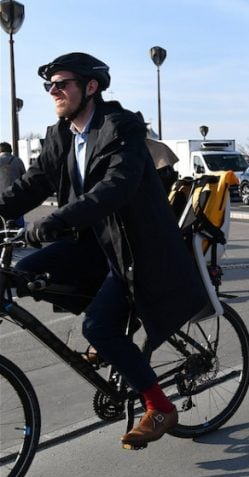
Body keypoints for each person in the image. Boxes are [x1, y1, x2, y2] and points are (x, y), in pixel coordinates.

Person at [0, 52, 208, 448]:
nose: (53, 91)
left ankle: (159, 405)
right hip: (92, 245)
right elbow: (31, 185)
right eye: (49, 86)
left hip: (135, 249)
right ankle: (110, 337)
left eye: (62, 84)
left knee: (97, 326)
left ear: (91, 87)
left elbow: (116, 186)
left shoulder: (121, 127)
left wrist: (57, 220)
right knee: (19, 277)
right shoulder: (61, 135)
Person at [0, 141, 27, 227]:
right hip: (16, 196)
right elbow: (25, 177)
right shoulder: (18, 161)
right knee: (18, 222)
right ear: (10, 150)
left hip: (1, 198)